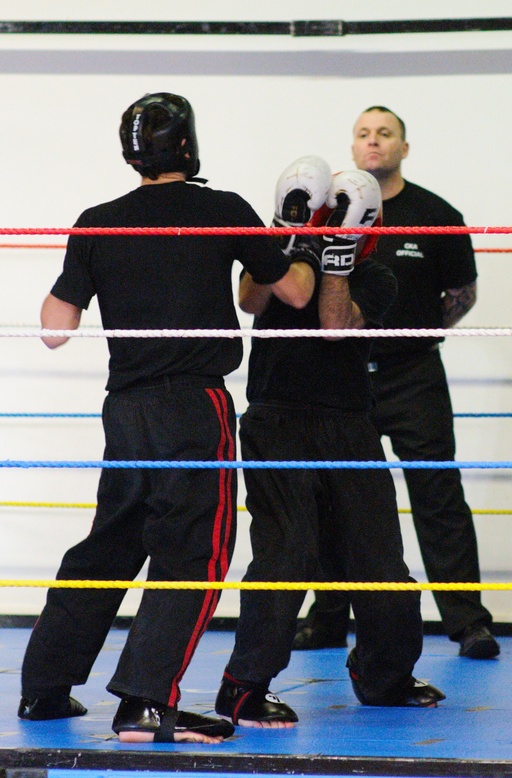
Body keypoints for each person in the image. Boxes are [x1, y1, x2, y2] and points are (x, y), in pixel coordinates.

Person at [17, 92, 318, 745]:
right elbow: (294, 293)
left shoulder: (97, 221)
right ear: (187, 145)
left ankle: (44, 687)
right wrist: (303, 239)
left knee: (111, 543)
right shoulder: (221, 208)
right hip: (193, 404)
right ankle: (146, 703)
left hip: (126, 409)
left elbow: (54, 329)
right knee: (194, 549)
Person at [214, 157, 445, 729]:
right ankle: (243, 686)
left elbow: (335, 324)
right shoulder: (289, 259)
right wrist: (285, 235)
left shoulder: (379, 275)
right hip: (277, 418)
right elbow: (251, 300)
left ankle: (384, 675)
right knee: (285, 554)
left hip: (348, 424)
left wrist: (339, 255)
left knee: (380, 560)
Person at [293, 106, 500, 660]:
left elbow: (461, 294)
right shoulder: (327, 214)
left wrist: (417, 335)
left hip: (413, 375)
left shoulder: (437, 214)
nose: (373, 142)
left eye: (384, 133)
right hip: (341, 376)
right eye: (363, 134)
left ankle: (468, 622)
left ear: (403, 148)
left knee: (438, 496)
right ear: (352, 147)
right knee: (333, 498)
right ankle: (328, 618)